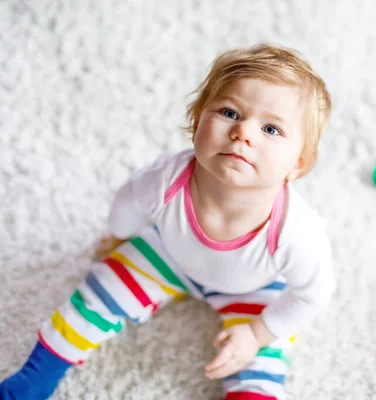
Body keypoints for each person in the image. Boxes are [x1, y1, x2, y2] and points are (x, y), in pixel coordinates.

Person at [0, 43, 335, 400]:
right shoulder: (167, 179)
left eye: (271, 129)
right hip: (168, 255)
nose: (244, 133)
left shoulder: (295, 233)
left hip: (254, 285)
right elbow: (128, 201)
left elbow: (314, 294)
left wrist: (257, 333)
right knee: (97, 293)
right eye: (230, 112)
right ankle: (37, 375)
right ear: (196, 122)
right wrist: (118, 237)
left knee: (264, 355)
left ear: (298, 164)